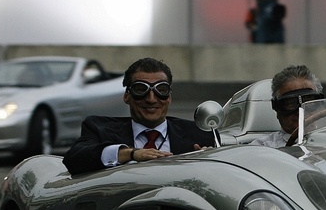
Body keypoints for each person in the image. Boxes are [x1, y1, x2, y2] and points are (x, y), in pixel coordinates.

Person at [62, 57, 218, 175]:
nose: (151, 99)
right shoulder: (99, 128)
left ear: (169, 97)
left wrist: (212, 160)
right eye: (140, 89)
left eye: (161, 90)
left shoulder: (200, 134)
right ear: (126, 96)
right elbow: (74, 159)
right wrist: (130, 154)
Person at [250, 64, 323, 148]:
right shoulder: (262, 149)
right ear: (277, 107)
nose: (300, 111)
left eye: (309, 101)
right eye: (290, 103)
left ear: (319, 102)